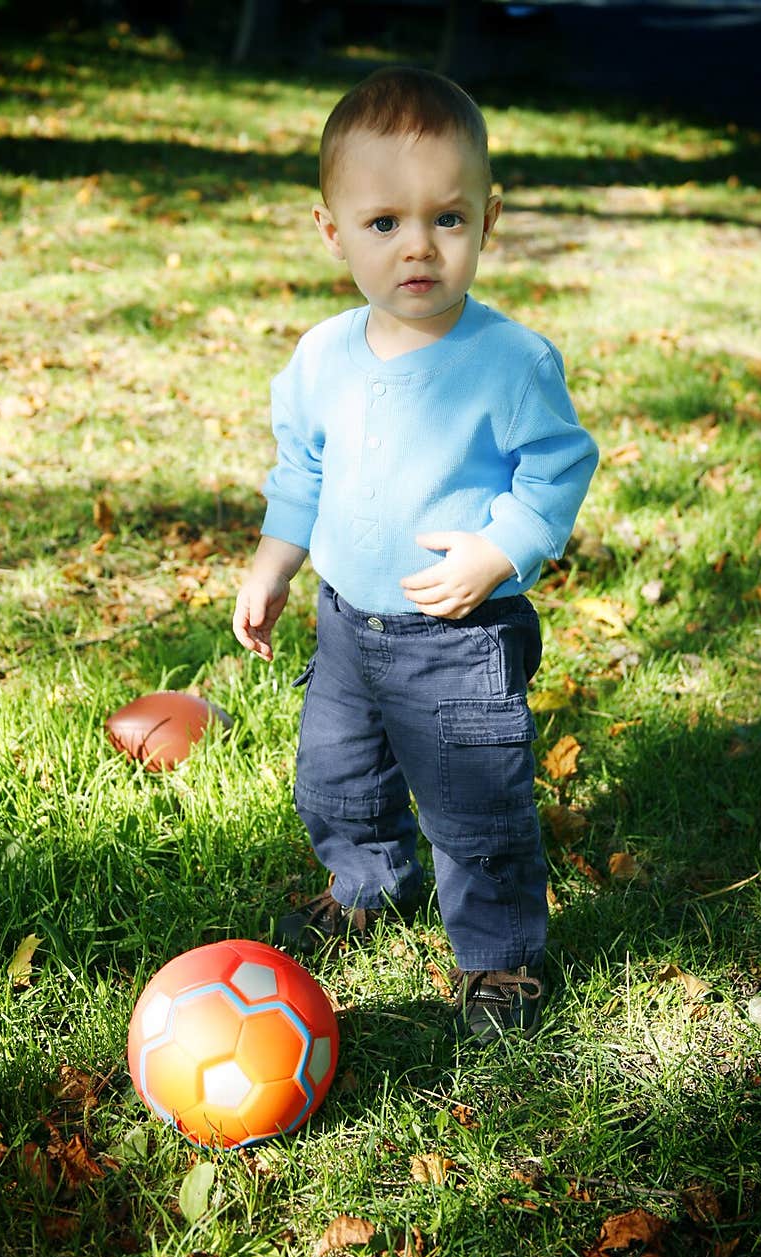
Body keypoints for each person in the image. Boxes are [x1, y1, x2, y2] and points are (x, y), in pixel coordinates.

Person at [232, 66, 598, 1045]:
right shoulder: (320, 358)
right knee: (335, 777)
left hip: (458, 635)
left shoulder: (509, 361)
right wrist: (272, 565)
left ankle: (500, 958)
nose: (418, 247)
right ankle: (368, 882)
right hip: (347, 627)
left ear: (488, 219)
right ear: (331, 231)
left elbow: (557, 467)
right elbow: (300, 472)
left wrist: (500, 548)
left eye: (447, 218)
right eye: (384, 222)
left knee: (475, 811)